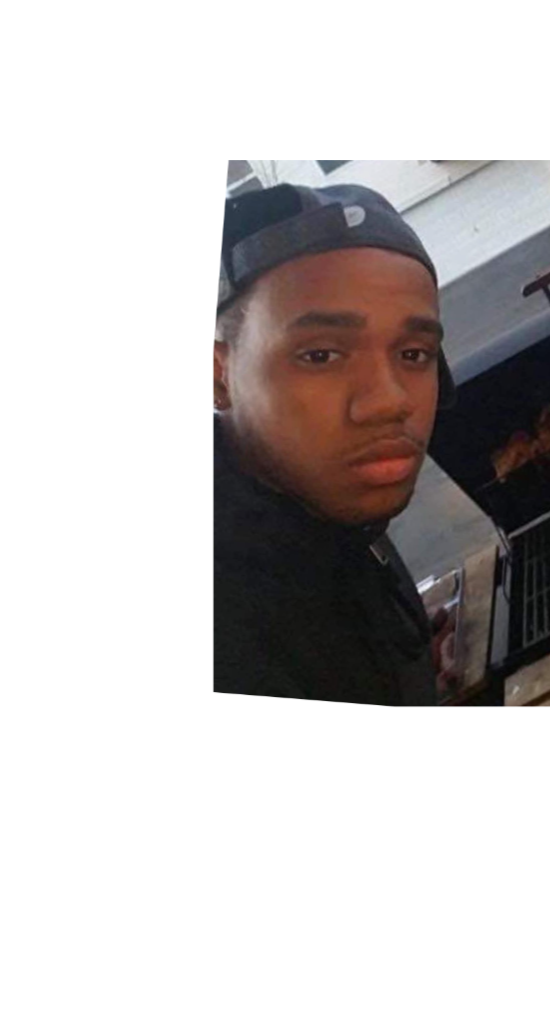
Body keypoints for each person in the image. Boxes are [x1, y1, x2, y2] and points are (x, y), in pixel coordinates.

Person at [212, 183, 459, 707]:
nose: (389, 402)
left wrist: (409, 665)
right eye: (321, 355)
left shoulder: (313, 500)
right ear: (220, 375)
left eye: (414, 353)